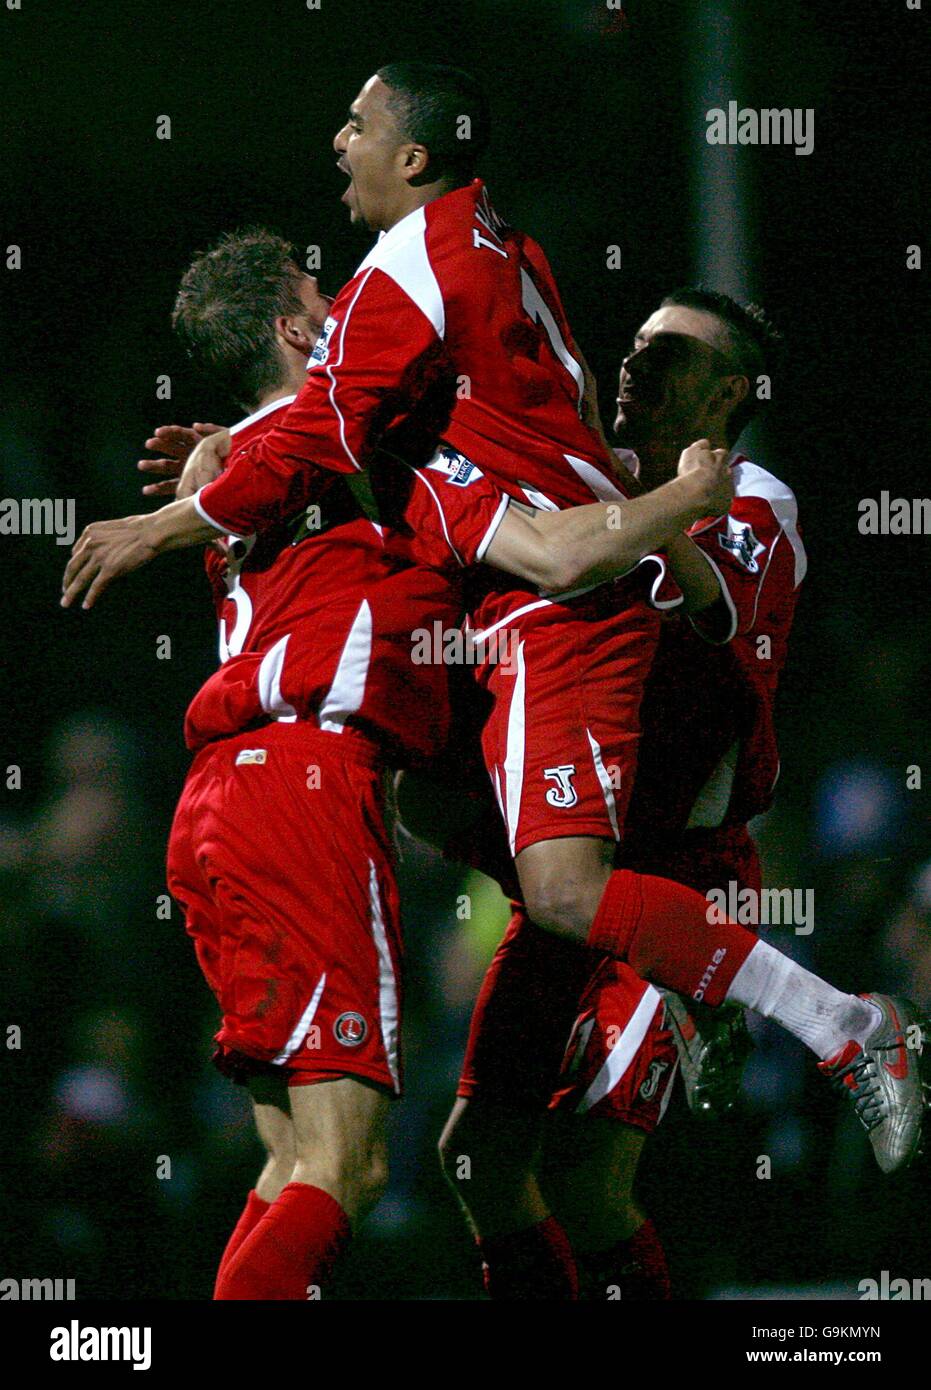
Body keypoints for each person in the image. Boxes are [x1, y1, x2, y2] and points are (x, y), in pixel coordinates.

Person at [63, 64, 928, 1191]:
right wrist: (250, 450)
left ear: (413, 158)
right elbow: (339, 434)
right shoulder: (480, 302)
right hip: (543, 640)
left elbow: (429, 477)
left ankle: (837, 1023)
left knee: (583, 1135)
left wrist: (171, 521)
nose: (337, 140)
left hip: (621, 718)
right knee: (479, 1134)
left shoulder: (415, 279)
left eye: (357, 124)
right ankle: (691, 965)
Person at [432, 289, 811, 1300]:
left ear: (730, 391)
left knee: (584, 1171)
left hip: (670, 867)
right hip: (562, 866)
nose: (637, 360)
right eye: (635, 339)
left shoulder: (755, 501)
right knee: (474, 1155)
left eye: (672, 350)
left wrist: (651, 525)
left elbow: (716, 659)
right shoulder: (579, 483)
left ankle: (823, 1019)